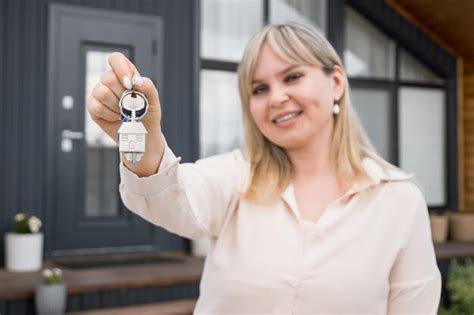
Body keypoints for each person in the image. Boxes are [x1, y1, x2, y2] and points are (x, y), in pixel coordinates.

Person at [87, 23, 441, 314]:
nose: (275, 98)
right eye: (259, 88)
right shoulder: (234, 177)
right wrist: (145, 141)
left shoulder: (398, 200)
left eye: (292, 78)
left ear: (335, 82)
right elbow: (172, 198)